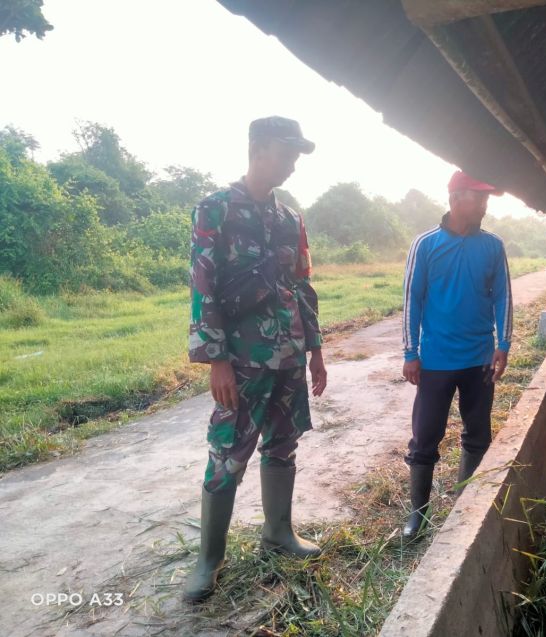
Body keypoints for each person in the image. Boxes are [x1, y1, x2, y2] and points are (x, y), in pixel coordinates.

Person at [184, 116, 327, 602]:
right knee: (226, 455)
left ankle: (278, 533)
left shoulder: (290, 219)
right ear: (260, 149)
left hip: (287, 356)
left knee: (283, 445)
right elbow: (202, 286)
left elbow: (303, 285)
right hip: (241, 362)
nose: (292, 164)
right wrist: (216, 360)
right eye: (287, 153)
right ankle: (209, 561)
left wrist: (316, 351)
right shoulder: (216, 209)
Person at [400, 170, 513, 539]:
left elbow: (503, 296)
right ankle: (418, 515)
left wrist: (503, 344)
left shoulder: (493, 245)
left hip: (480, 358)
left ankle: (464, 508)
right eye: (478, 198)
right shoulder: (426, 244)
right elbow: (411, 300)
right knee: (425, 438)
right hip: (435, 360)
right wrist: (410, 351)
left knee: (478, 432)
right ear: (454, 198)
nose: (484, 206)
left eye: (486, 199)